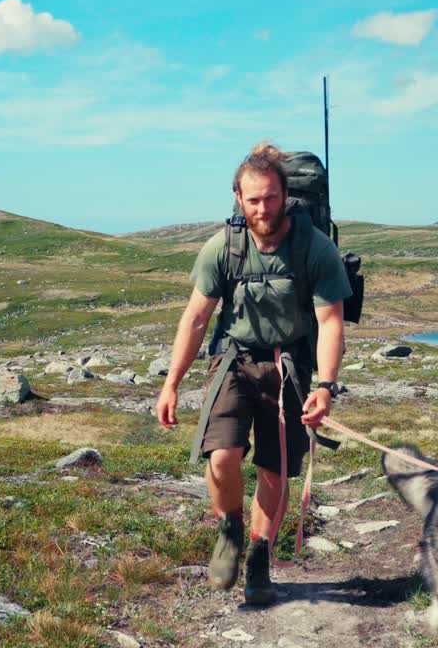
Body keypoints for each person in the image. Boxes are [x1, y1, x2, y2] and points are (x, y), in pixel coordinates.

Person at [154, 141, 352, 606]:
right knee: (222, 455)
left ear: (286, 196)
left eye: (271, 197)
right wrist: (171, 384)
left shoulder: (314, 248)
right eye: (254, 199)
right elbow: (196, 318)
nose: (264, 208)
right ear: (238, 199)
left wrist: (325, 385)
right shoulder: (222, 247)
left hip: (290, 366)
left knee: (274, 470)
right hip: (235, 360)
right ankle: (230, 530)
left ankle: (259, 557)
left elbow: (330, 321)